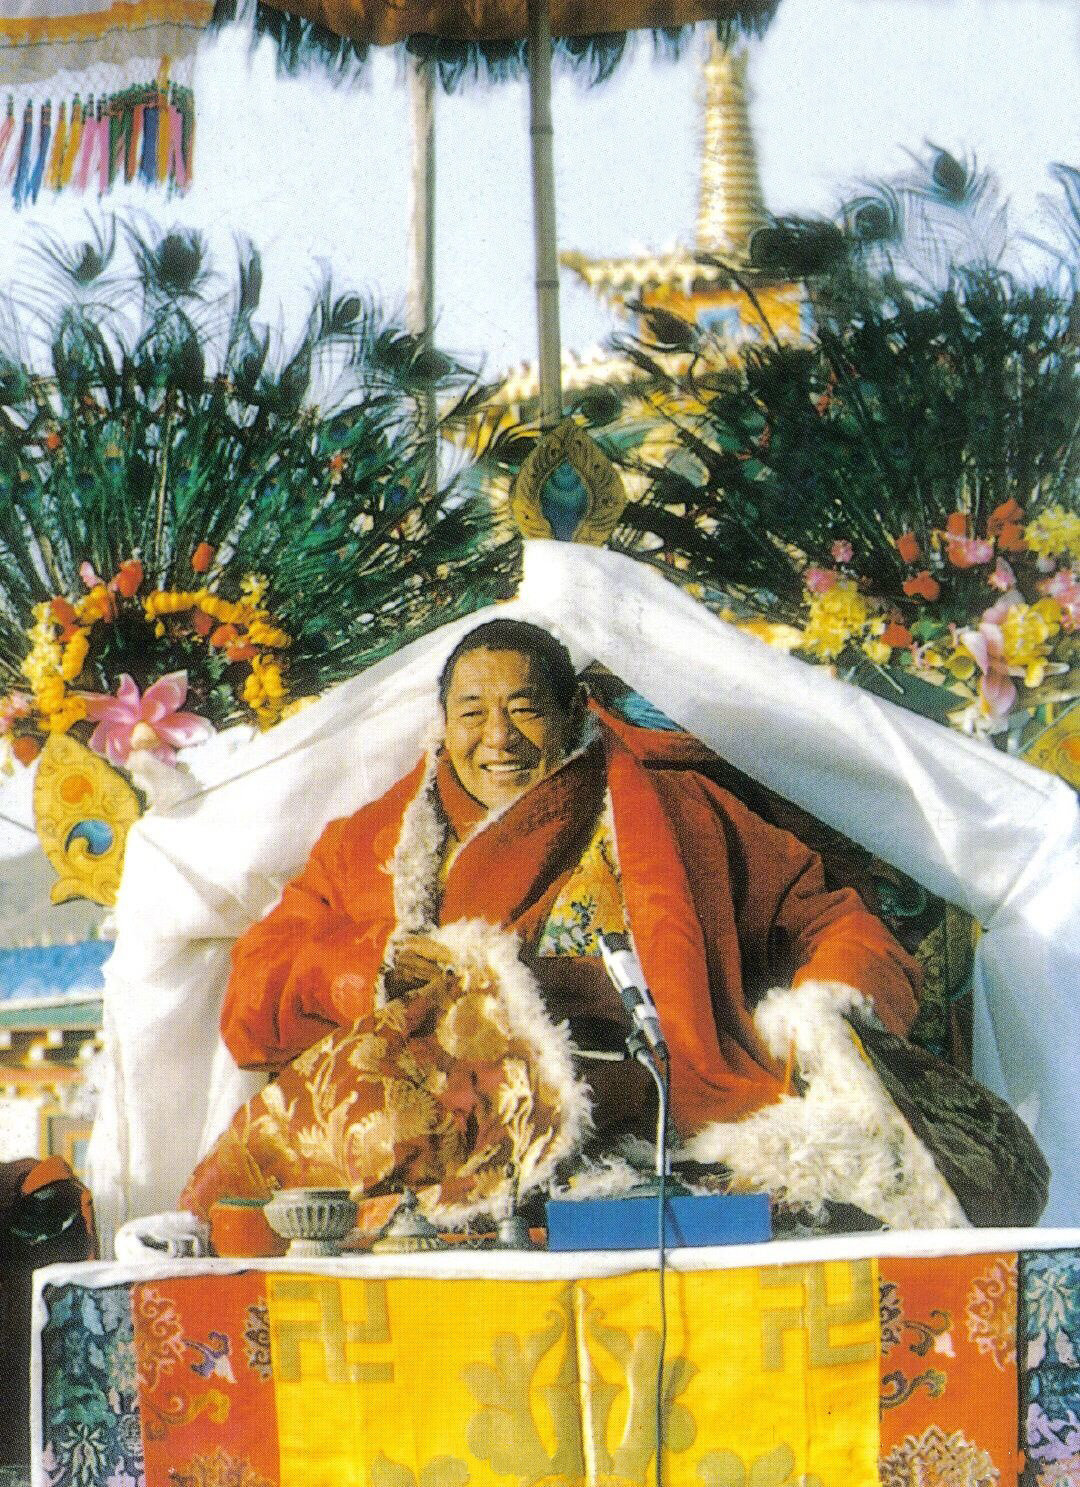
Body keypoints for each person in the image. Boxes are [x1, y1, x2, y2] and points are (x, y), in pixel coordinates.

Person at [185, 619, 1046, 1228]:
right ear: (441, 725)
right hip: (451, 1152)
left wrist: (820, 1013)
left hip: (667, 1124)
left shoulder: (675, 809)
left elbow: (833, 918)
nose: (497, 737)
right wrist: (380, 968)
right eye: (472, 712)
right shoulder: (373, 843)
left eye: (524, 708)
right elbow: (255, 989)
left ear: (572, 712)